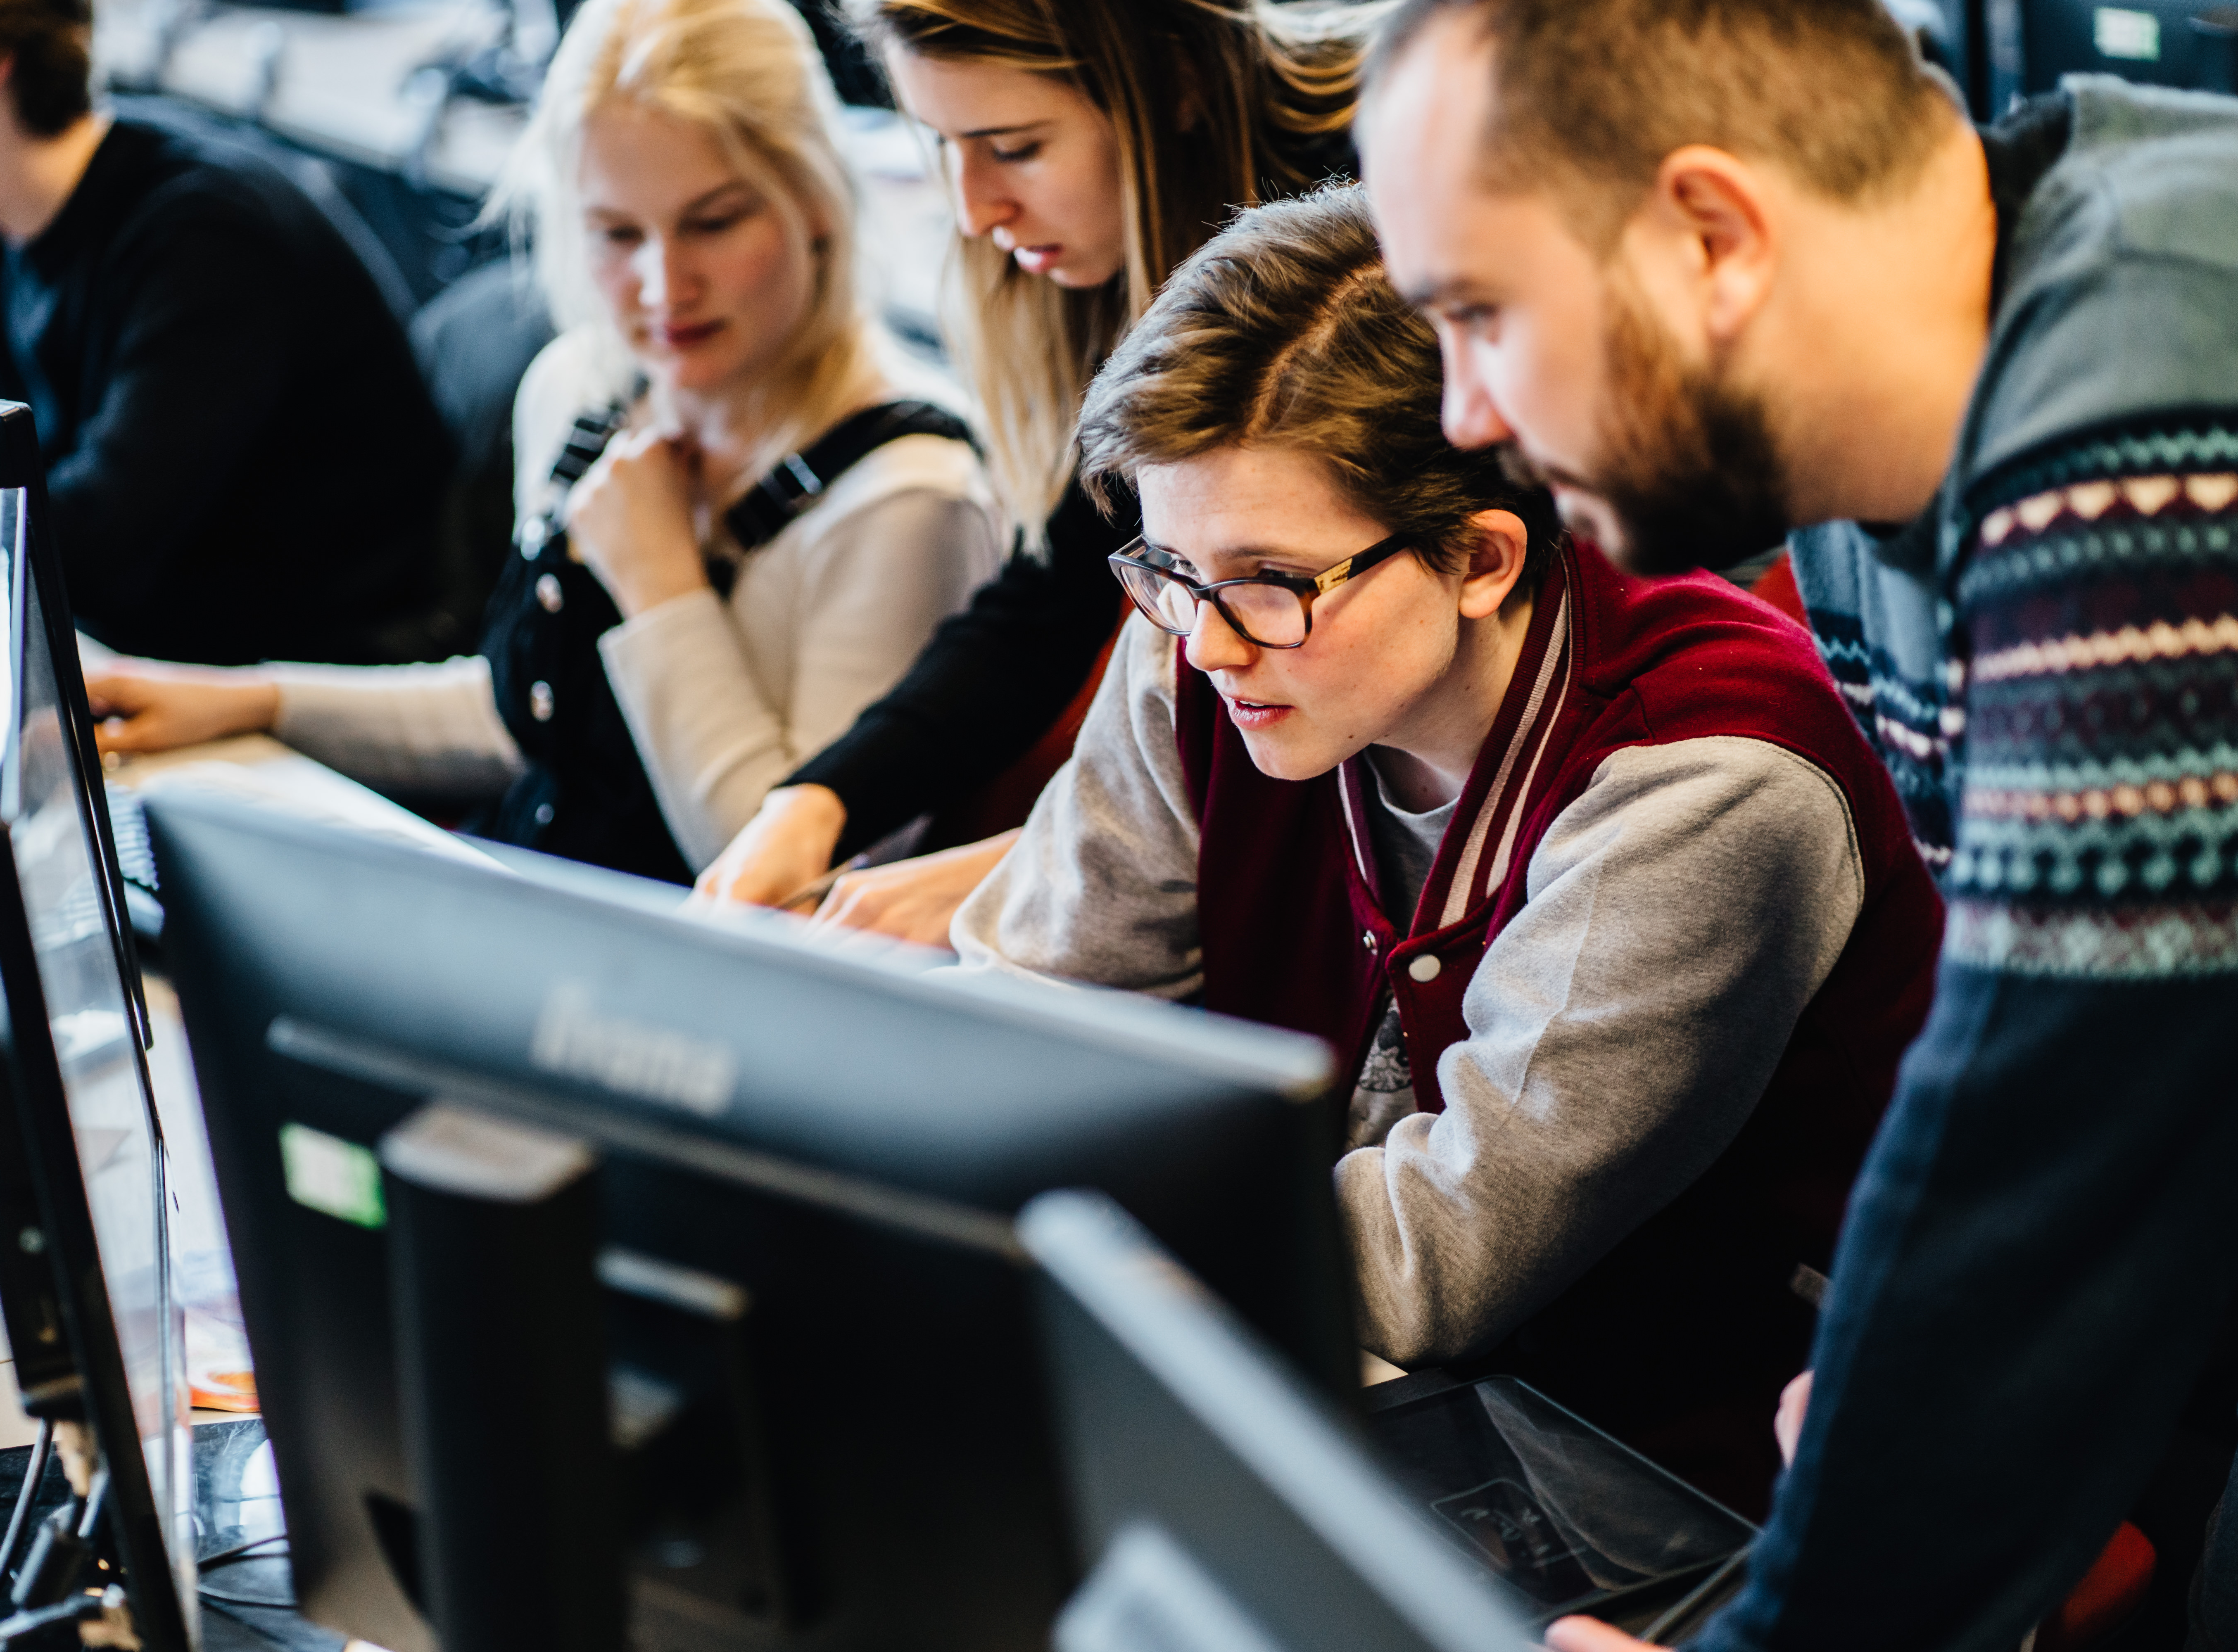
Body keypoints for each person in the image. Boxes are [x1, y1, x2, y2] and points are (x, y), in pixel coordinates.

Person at [1355, 2, 2238, 1646]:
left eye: (1480, 314)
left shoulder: (2146, 388)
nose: (1466, 409)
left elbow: (2048, 1137)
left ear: (1713, 235)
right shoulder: (1863, 493)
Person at [955, 185, 1944, 1515]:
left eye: (1269, 582)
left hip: (1693, 1457)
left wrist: (1055, 1203)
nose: (1208, 643)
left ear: (1480, 558)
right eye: (1170, 569)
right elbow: (1019, 1024)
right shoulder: (1207, 638)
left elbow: (1436, 1257)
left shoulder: (1707, 776)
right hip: (1370, 1388)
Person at [86, 0, 1003, 883]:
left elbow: (800, 883)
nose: (663, 286)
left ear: (817, 203)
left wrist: (661, 586)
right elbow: (531, 716)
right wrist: (255, 700)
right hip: (532, 905)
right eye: (615, 233)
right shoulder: (581, 388)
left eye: (714, 222)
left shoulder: (908, 493)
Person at [692, 0, 1375, 942]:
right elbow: (1051, 597)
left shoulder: (1382, 225)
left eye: (1014, 147)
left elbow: (1381, 694)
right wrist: (815, 802)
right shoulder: (1130, 247)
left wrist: (1036, 862)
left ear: (1176, 81)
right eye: (943, 145)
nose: (974, 210)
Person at [0, 0, 450, 667]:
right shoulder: (11, 217)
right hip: (178, 648)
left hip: (314, 675)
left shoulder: (205, 239)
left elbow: (96, 547)